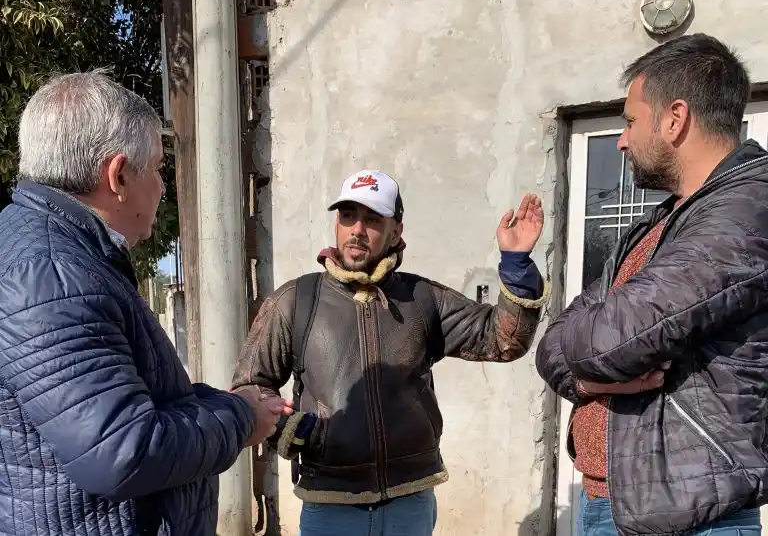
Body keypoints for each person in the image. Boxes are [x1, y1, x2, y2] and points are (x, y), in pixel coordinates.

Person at [0, 71, 290, 536]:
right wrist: (240, 418)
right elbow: (121, 452)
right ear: (118, 176)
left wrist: (224, 402)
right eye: (157, 167)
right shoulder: (50, 277)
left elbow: (122, 407)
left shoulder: (64, 258)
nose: (161, 184)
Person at [536, 33, 768, 536]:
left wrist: (588, 354)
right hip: (608, 504)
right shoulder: (664, 221)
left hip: (691, 519)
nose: (620, 139)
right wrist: (590, 377)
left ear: (675, 118)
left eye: (630, 120)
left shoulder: (746, 210)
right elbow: (553, 344)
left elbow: (618, 338)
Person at [233, 169, 550, 536]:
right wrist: (286, 429)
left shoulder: (423, 299)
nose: (356, 229)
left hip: (409, 503)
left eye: (371, 219)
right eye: (348, 216)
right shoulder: (296, 301)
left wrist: (516, 264)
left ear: (395, 231)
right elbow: (250, 385)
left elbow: (502, 341)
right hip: (330, 503)